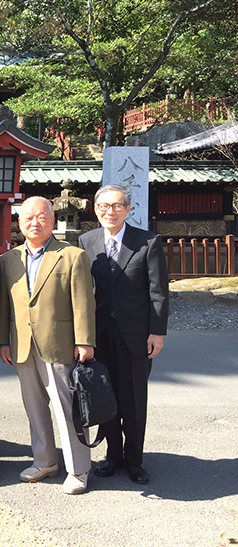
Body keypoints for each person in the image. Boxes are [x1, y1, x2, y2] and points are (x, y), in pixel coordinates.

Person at [0, 196, 96, 495]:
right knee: (34, 407)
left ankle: (78, 469)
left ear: (52, 221)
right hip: (22, 344)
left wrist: (85, 340)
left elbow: (83, 302)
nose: (34, 222)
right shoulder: (8, 259)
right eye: (28, 217)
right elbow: (4, 306)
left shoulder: (72, 256)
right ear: (20, 222)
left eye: (41, 217)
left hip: (59, 343)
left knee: (68, 408)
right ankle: (45, 461)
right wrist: (2, 340)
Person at [78, 184, 169, 485]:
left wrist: (157, 332)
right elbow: (82, 292)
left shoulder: (147, 241)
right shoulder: (86, 240)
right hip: (100, 333)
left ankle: (134, 460)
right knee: (106, 395)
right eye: (104, 206)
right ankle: (112, 456)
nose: (110, 211)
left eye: (117, 206)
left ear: (128, 209)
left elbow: (158, 291)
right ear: (95, 209)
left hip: (136, 334)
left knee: (132, 399)